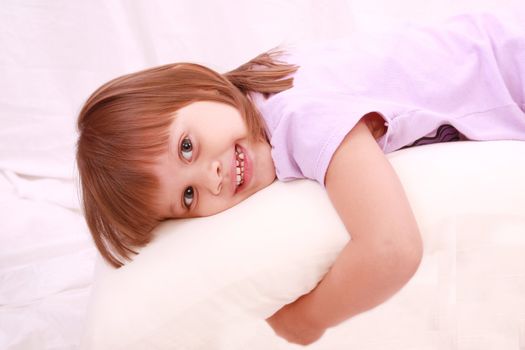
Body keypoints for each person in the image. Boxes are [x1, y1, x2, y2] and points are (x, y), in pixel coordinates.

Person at [76, 13, 525, 345]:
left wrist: (307, 320)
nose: (210, 176)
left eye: (186, 146)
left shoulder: (300, 117)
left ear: (192, 85)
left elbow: (392, 249)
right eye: (188, 196)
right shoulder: (266, 89)